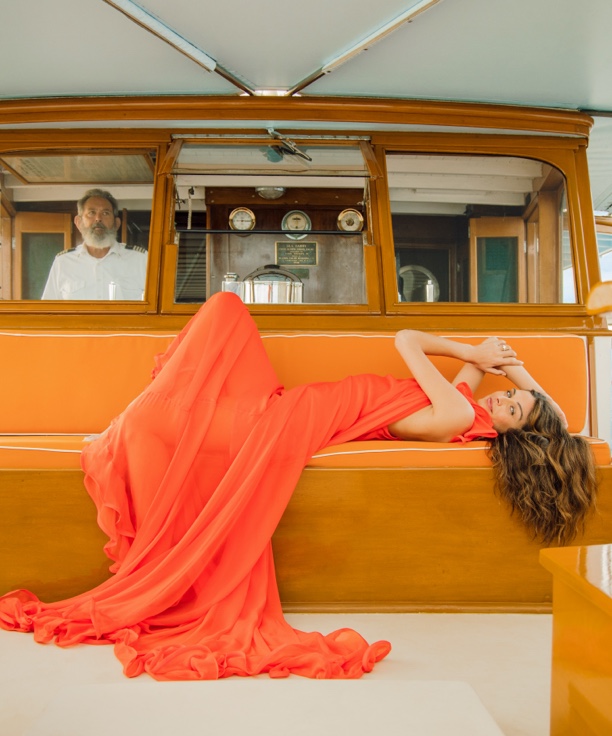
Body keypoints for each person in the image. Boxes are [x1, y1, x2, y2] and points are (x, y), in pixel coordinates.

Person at [0, 293, 597, 681]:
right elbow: (553, 413)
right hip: (282, 403)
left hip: (273, 423)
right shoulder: (466, 403)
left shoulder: (458, 416)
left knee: (167, 400)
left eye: (511, 407)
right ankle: (153, 418)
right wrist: (503, 364)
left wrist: (475, 351)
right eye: (508, 392)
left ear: (512, 433)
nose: (502, 397)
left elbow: (407, 340)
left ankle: (144, 423)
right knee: (227, 308)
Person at [41, 189, 147, 300]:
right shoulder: (63, 262)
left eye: (105, 213)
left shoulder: (140, 260)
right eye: (91, 213)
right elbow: (48, 309)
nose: (98, 218)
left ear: (116, 223)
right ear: (78, 222)